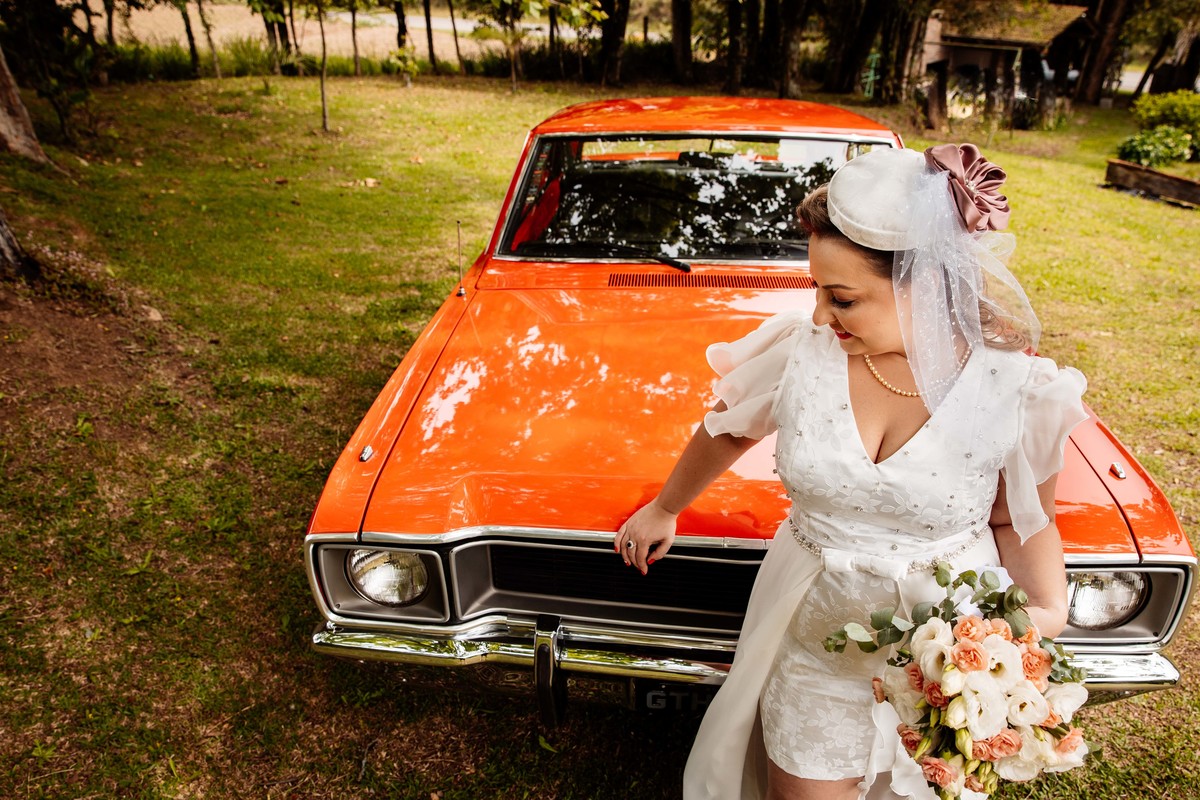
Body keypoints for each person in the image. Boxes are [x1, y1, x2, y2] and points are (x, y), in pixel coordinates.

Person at [612, 144, 1087, 800]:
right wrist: (666, 506)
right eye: (817, 291)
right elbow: (726, 427)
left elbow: (1018, 518)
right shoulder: (802, 354)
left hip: (946, 665)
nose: (819, 316)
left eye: (842, 298)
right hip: (813, 649)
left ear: (925, 282)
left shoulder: (1017, 389)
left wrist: (1045, 610)